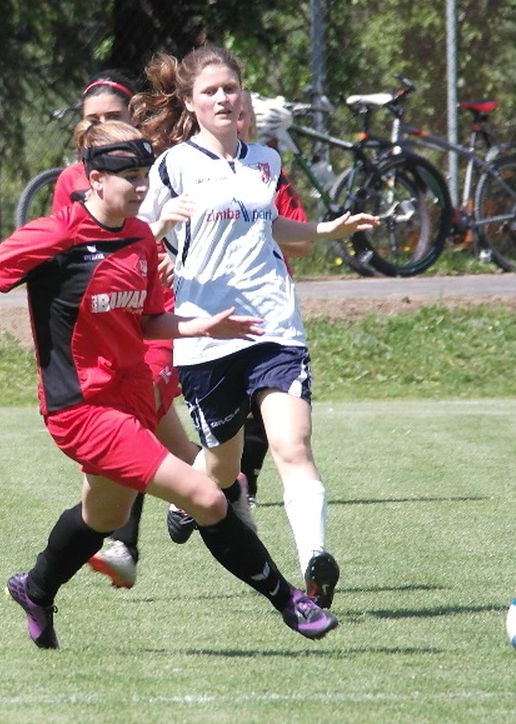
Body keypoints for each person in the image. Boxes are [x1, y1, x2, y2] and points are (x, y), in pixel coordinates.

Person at [0, 120, 339, 649]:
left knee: (105, 515)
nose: (142, 187)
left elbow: (146, 322)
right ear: (95, 180)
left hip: (134, 397)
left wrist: (202, 326)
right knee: (206, 497)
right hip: (82, 409)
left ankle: (36, 587)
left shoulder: (139, 236)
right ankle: (291, 602)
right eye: (130, 178)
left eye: (144, 175)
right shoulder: (57, 234)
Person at [135, 46, 379, 608]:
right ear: (190, 102)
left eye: (231, 88)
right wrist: (161, 226)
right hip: (207, 335)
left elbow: (271, 227)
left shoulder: (265, 160)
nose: (223, 98)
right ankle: (190, 492)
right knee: (223, 467)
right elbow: (134, 243)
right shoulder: (172, 166)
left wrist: (325, 231)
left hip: (274, 325)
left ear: (242, 94)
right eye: (210, 91)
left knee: (293, 444)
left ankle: (314, 560)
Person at [51, 70, 202, 590]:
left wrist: (172, 253)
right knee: (153, 442)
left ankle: (127, 542)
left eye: (111, 115)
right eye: (91, 117)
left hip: (149, 322)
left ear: (131, 118)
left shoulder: (160, 169)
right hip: (103, 337)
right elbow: (73, 257)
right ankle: (218, 487)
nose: (99, 123)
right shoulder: (72, 182)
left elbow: (168, 239)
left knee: (138, 429)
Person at [236, 88, 310, 507]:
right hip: (207, 308)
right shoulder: (186, 169)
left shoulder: (269, 173)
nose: (237, 121)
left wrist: (254, 231)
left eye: (244, 114)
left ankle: (245, 480)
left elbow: (302, 241)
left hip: (266, 304)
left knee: (267, 394)